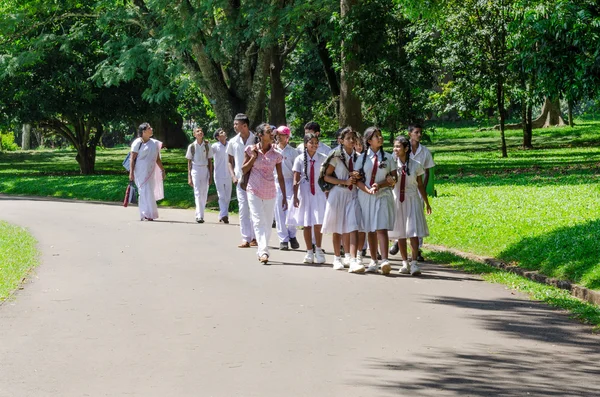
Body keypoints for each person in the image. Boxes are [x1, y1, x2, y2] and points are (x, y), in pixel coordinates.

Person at [242, 123, 288, 264]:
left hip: (270, 191)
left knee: (267, 223)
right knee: (257, 221)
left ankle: (262, 248)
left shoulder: (277, 155)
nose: (272, 133)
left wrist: (285, 196)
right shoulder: (250, 150)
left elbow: (280, 176)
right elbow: (243, 169)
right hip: (253, 190)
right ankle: (263, 251)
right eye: (269, 131)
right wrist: (253, 157)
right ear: (260, 135)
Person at [321, 127, 364, 273]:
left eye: (353, 138)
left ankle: (350, 258)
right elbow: (327, 176)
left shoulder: (358, 157)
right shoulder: (336, 156)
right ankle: (336, 258)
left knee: (351, 225)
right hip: (338, 193)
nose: (351, 141)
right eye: (348, 138)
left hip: (352, 194)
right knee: (337, 227)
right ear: (341, 141)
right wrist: (343, 182)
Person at [355, 127, 397, 275]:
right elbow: (357, 180)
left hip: (383, 194)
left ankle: (385, 260)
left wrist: (382, 184)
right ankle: (373, 260)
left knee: (381, 226)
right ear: (368, 141)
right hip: (366, 196)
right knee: (370, 229)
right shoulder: (361, 159)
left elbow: (394, 178)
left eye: (380, 135)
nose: (380, 138)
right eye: (376, 136)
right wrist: (367, 189)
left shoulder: (388, 157)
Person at [390, 123, 435, 260]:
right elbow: (389, 177)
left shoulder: (421, 156)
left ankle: (416, 254)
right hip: (398, 196)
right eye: (416, 132)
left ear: (405, 148)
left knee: (415, 226)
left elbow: (424, 175)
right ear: (410, 134)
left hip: (413, 194)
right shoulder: (393, 160)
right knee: (400, 227)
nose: (419, 135)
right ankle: (402, 253)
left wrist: (425, 197)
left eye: (420, 132)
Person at [289, 133, 327, 264]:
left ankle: (319, 250)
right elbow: (295, 178)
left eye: (316, 143)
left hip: (318, 194)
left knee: (318, 223)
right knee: (307, 224)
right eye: (312, 143)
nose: (314, 145)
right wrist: (295, 196)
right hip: (305, 194)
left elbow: (326, 177)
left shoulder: (323, 158)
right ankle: (309, 251)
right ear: (306, 144)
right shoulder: (299, 159)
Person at [227, 113, 257, 248]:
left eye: (236, 124)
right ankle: (245, 238)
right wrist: (233, 176)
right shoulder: (233, 141)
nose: (234, 126)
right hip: (241, 180)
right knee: (243, 208)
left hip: (256, 179)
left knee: (255, 208)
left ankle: (255, 237)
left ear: (244, 125)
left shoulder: (256, 139)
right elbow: (229, 161)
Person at [129, 122, 165, 221]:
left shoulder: (154, 143)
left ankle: (151, 214)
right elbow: (132, 159)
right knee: (143, 191)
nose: (151, 129)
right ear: (144, 131)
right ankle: (144, 213)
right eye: (149, 128)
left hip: (150, 171)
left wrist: (162, 170)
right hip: (140, 171)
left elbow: (157, 159)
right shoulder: (137, 143)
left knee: (149, 191)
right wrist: (131, 173)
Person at [273, 125, 300, 250]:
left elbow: (297, 170)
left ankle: (292, 235)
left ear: (287, 137)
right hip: (277, 183)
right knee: (279, 211)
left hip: (289, 182)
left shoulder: (293, 152)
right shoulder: (273, 150)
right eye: (277, 134)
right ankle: (283, 239)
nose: (278, 136)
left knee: (291, 211)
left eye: (282, 134)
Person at [186, 127, 213, 223]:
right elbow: (189, 162)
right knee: (197, 192)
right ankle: (199, 215)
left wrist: (210, 175)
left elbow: (210, 161)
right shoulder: (192, 146)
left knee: (204, 192)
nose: (200, 132)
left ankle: (200, 213)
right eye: (197, 131)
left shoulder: (207, 145)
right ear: (194, 134)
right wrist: (189, 176)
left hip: (204, 169)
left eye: (201, 131)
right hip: (195, 169)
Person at [211, 128, 232, 223]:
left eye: (224, 132)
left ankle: (222, 214)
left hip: (228, 174)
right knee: (221, 195)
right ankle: (224, 215)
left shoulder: (230, 144)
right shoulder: (215, 146)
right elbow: (208, 155)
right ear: (217, 137)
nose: (224, 133)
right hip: (218, 174)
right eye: (221, 133)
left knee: (227, 196)